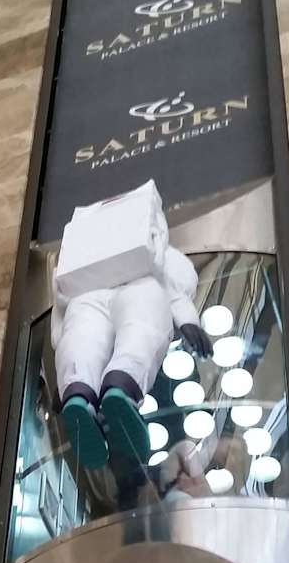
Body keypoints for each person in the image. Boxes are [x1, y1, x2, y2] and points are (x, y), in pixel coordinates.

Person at [51, 191, 208, 470]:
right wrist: (187, 320)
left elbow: (63, 322)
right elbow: (175, 281)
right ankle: (121, 387)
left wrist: (65, 381)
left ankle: (78, 394)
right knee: (141, 331)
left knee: (82, 339)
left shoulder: (79, 253)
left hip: (84, 294)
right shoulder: (155, 247)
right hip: (140, 282)